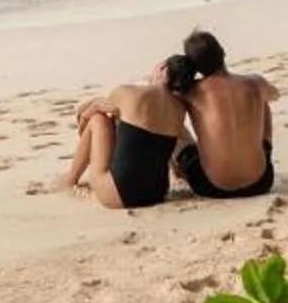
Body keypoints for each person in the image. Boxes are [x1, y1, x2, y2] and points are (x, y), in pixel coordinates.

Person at [56, 54, 193, 210]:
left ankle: (70, 180)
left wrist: (83, 130)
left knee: (97, 119)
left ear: (163, 69)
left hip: (118, 196)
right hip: (157, 193)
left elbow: (91, 111)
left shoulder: (127, 92)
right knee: (147, 135)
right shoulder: (179, 109)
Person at [173, 28, 278, 198]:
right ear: (223, 52)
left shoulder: (191, 92)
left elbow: (166, 108)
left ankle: (176, 172)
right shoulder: (254, 82)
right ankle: (258, 156)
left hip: (211, 186)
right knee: (263, 102)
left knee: (173, 120)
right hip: (261, 182)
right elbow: (275, 94)